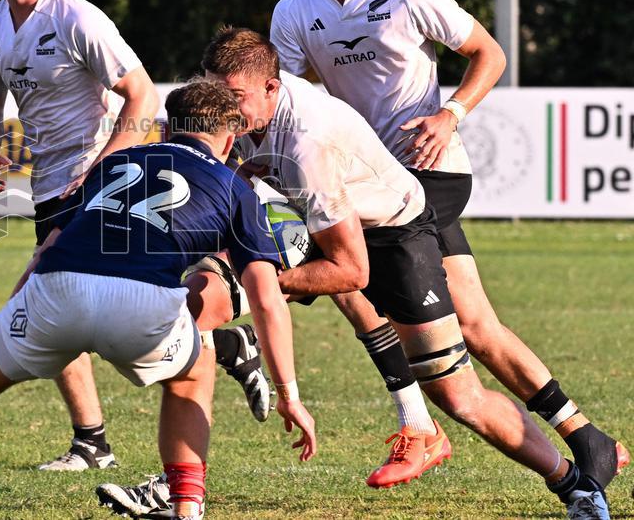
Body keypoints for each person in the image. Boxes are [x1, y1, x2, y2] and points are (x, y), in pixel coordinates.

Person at [97, 28, 610, 520]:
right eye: (215, 92)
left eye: (234, 97)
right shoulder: (248, 109)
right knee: (197, 305)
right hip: (308, 220)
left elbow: (351, 269)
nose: (225, 110)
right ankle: (182, 486)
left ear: (273, 87)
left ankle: (574, 486)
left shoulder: (306, 145)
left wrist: (267, 286)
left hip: (394, 236)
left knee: (460, 397)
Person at [0, 80, 318, 520]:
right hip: (141, 305)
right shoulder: (233, 184)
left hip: (56, 288)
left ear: (168, 126)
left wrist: (7, 325)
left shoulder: (118, 162)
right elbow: (266, 298)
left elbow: (47, 245)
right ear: (229, 138)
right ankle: (186, 509)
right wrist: (290, 394)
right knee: (195, 370)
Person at [269, 0, 627, 492]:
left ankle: (422, 427)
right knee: (478, 325)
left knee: (342, 266)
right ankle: (587, 437)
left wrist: (450, 113)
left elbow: (490, 53)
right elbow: (291, 99)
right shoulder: (295, 10)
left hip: (430, 172)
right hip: (369, 179)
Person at [0, 0, 156, 471]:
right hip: (48, 188)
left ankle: (93, 439)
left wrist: (105, 168)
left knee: (51, 303)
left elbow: (143, 96)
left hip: (101, 180)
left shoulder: (76, 17)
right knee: (67, 311)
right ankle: (92, 442)